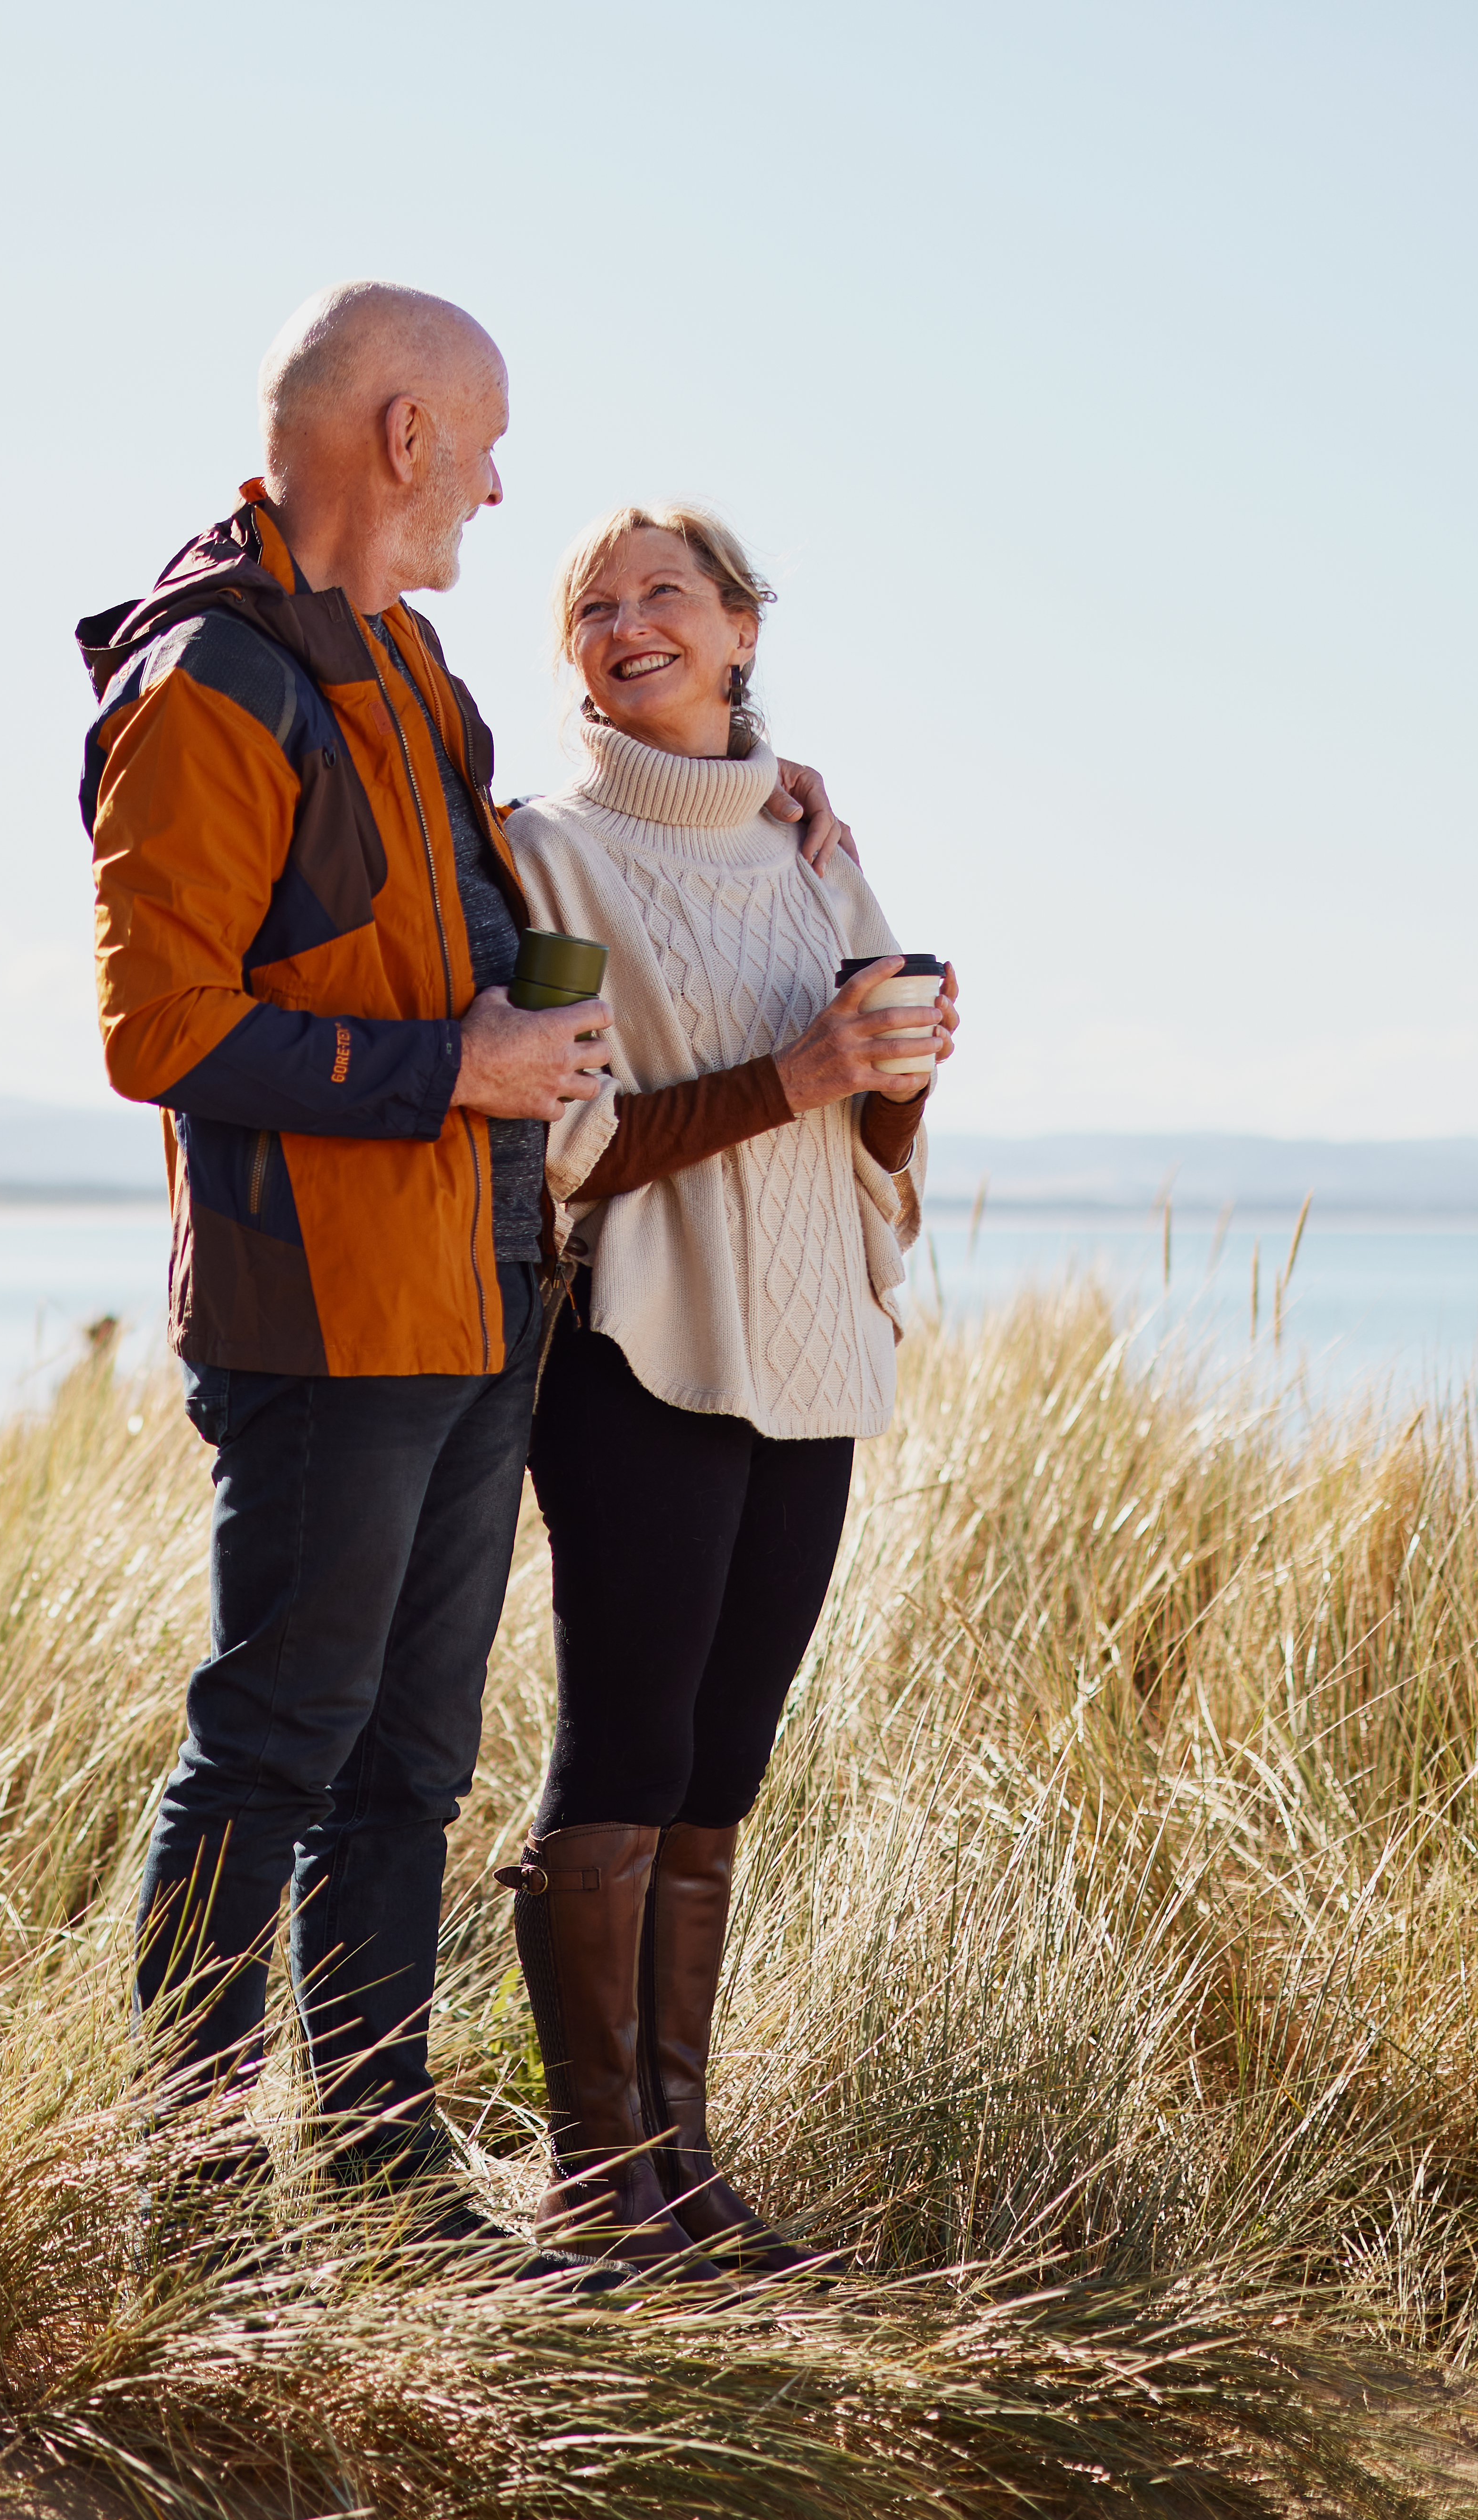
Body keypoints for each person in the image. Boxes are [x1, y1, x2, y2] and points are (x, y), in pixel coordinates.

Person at [76, 287, 855, 2234]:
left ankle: (376, 2157)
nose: (500, 491)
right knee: (270, 1740)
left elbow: (496, 916)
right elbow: (155, 1030)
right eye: (486, 446)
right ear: (400, 433)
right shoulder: (208, 681)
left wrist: (767, 798)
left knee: (410, 1763)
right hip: (316, 1312)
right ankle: (168, 2184)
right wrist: (460, 1064)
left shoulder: (413, 678)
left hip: (472, 1309)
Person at [490, 504, 956, 2276]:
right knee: (618, 1751)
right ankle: (587, 2183)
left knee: (719, 1766)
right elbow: (578, 1150)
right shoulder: (548, 852)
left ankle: (681, 2169)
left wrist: (898, 1071)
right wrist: (811, 1063)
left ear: (743, 628)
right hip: (642, 1353)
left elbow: (866, 1124)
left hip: (816, 1350)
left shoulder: (810, 842)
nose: (624, 629)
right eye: (591, 609)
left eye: (661, 596)